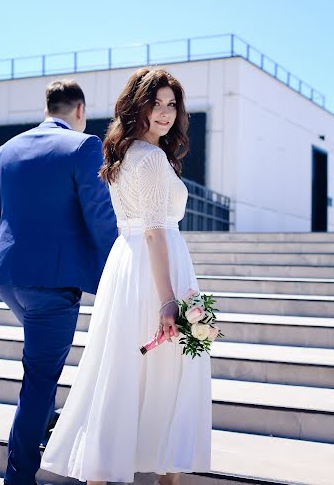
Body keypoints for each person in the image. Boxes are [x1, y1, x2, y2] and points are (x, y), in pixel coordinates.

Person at [41, 68, 212, 485]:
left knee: (120, 373)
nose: (165, 113)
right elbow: (155, 231)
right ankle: (164, 477)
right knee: (167, 376)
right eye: (156, 103)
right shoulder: (151, 159)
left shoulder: (127, 153)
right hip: (154, 270)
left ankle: (102, 472)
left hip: (128, 267)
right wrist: (169, 299)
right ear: (138, 105)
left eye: (172, 105)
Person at [0, 79, 117, 485]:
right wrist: (121, 271)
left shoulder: (7, 150)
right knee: (39, 378)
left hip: (9, 277)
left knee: (42, 366)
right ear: (80, 110)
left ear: (48, 107)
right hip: (52, 285)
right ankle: (18, 477)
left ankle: (45, 419)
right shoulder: (83, 145)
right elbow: (100, 218)